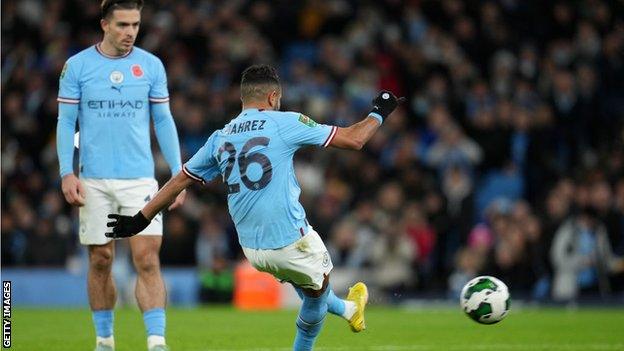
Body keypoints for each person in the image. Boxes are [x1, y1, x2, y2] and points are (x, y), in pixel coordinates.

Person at [106, 64, 403, 350]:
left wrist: (140, 219)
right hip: (291, 240)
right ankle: (334, 323)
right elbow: (355, 139)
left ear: (242, 98)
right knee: (316, 296)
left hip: (252, 251)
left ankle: (350, 309)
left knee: (307, 281)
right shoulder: (285, 122)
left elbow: (179, 180)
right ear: (273, 97)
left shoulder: (220, 136)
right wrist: (380, 112)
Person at [56, 1, 184, 350]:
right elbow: (66, 122)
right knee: (101, 259)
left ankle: (157, 342)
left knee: (147, 258)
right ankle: (105, 340)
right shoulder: (77, 67)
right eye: (123, 25)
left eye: (136, 25)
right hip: (93, 180)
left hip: (140, 180)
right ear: (104, 25)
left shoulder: (151, 66)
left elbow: (163, 121)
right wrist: (67, 172)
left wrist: (177, 175)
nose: (130, 32)